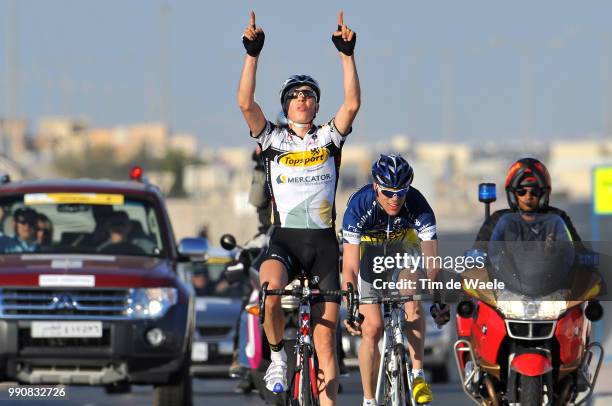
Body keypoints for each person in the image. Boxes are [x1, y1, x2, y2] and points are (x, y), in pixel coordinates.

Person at [237, 10, 361, 404]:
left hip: (324, 247)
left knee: (326, 349)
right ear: (286, 106)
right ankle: (276, 357)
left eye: (309, 95)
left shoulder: (328, 138)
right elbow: (244, 103)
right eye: (295, 96)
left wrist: (347, 54)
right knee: (269, 292)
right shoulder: (272, 139)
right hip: (286, 242)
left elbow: (353, 104)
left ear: (315, 104)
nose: (302, 100)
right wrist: (252, 54)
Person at [341, 155, 449, 406]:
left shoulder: (418, 204)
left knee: (412, 294)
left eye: (401, 192)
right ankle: (369, 399)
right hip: (369, 255)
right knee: (373, 328)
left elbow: (432, 263)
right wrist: (351, 303)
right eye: (389, 192)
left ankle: (418, 374)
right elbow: (349, 266)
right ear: (376, 186)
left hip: (402, 250)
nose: (395, 199)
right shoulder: (359, 206)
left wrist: (439, 300)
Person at [474, 157, 583, 248]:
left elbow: (577, 249)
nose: (528, 196)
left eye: (534, 191)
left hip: (552, 273)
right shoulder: (497, 220)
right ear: (512, 195)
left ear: (543, 194)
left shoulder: (558, 218)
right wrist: (478, 256)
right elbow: (478, 252)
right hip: (505, 273)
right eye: (521, 191)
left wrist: (560, 248)